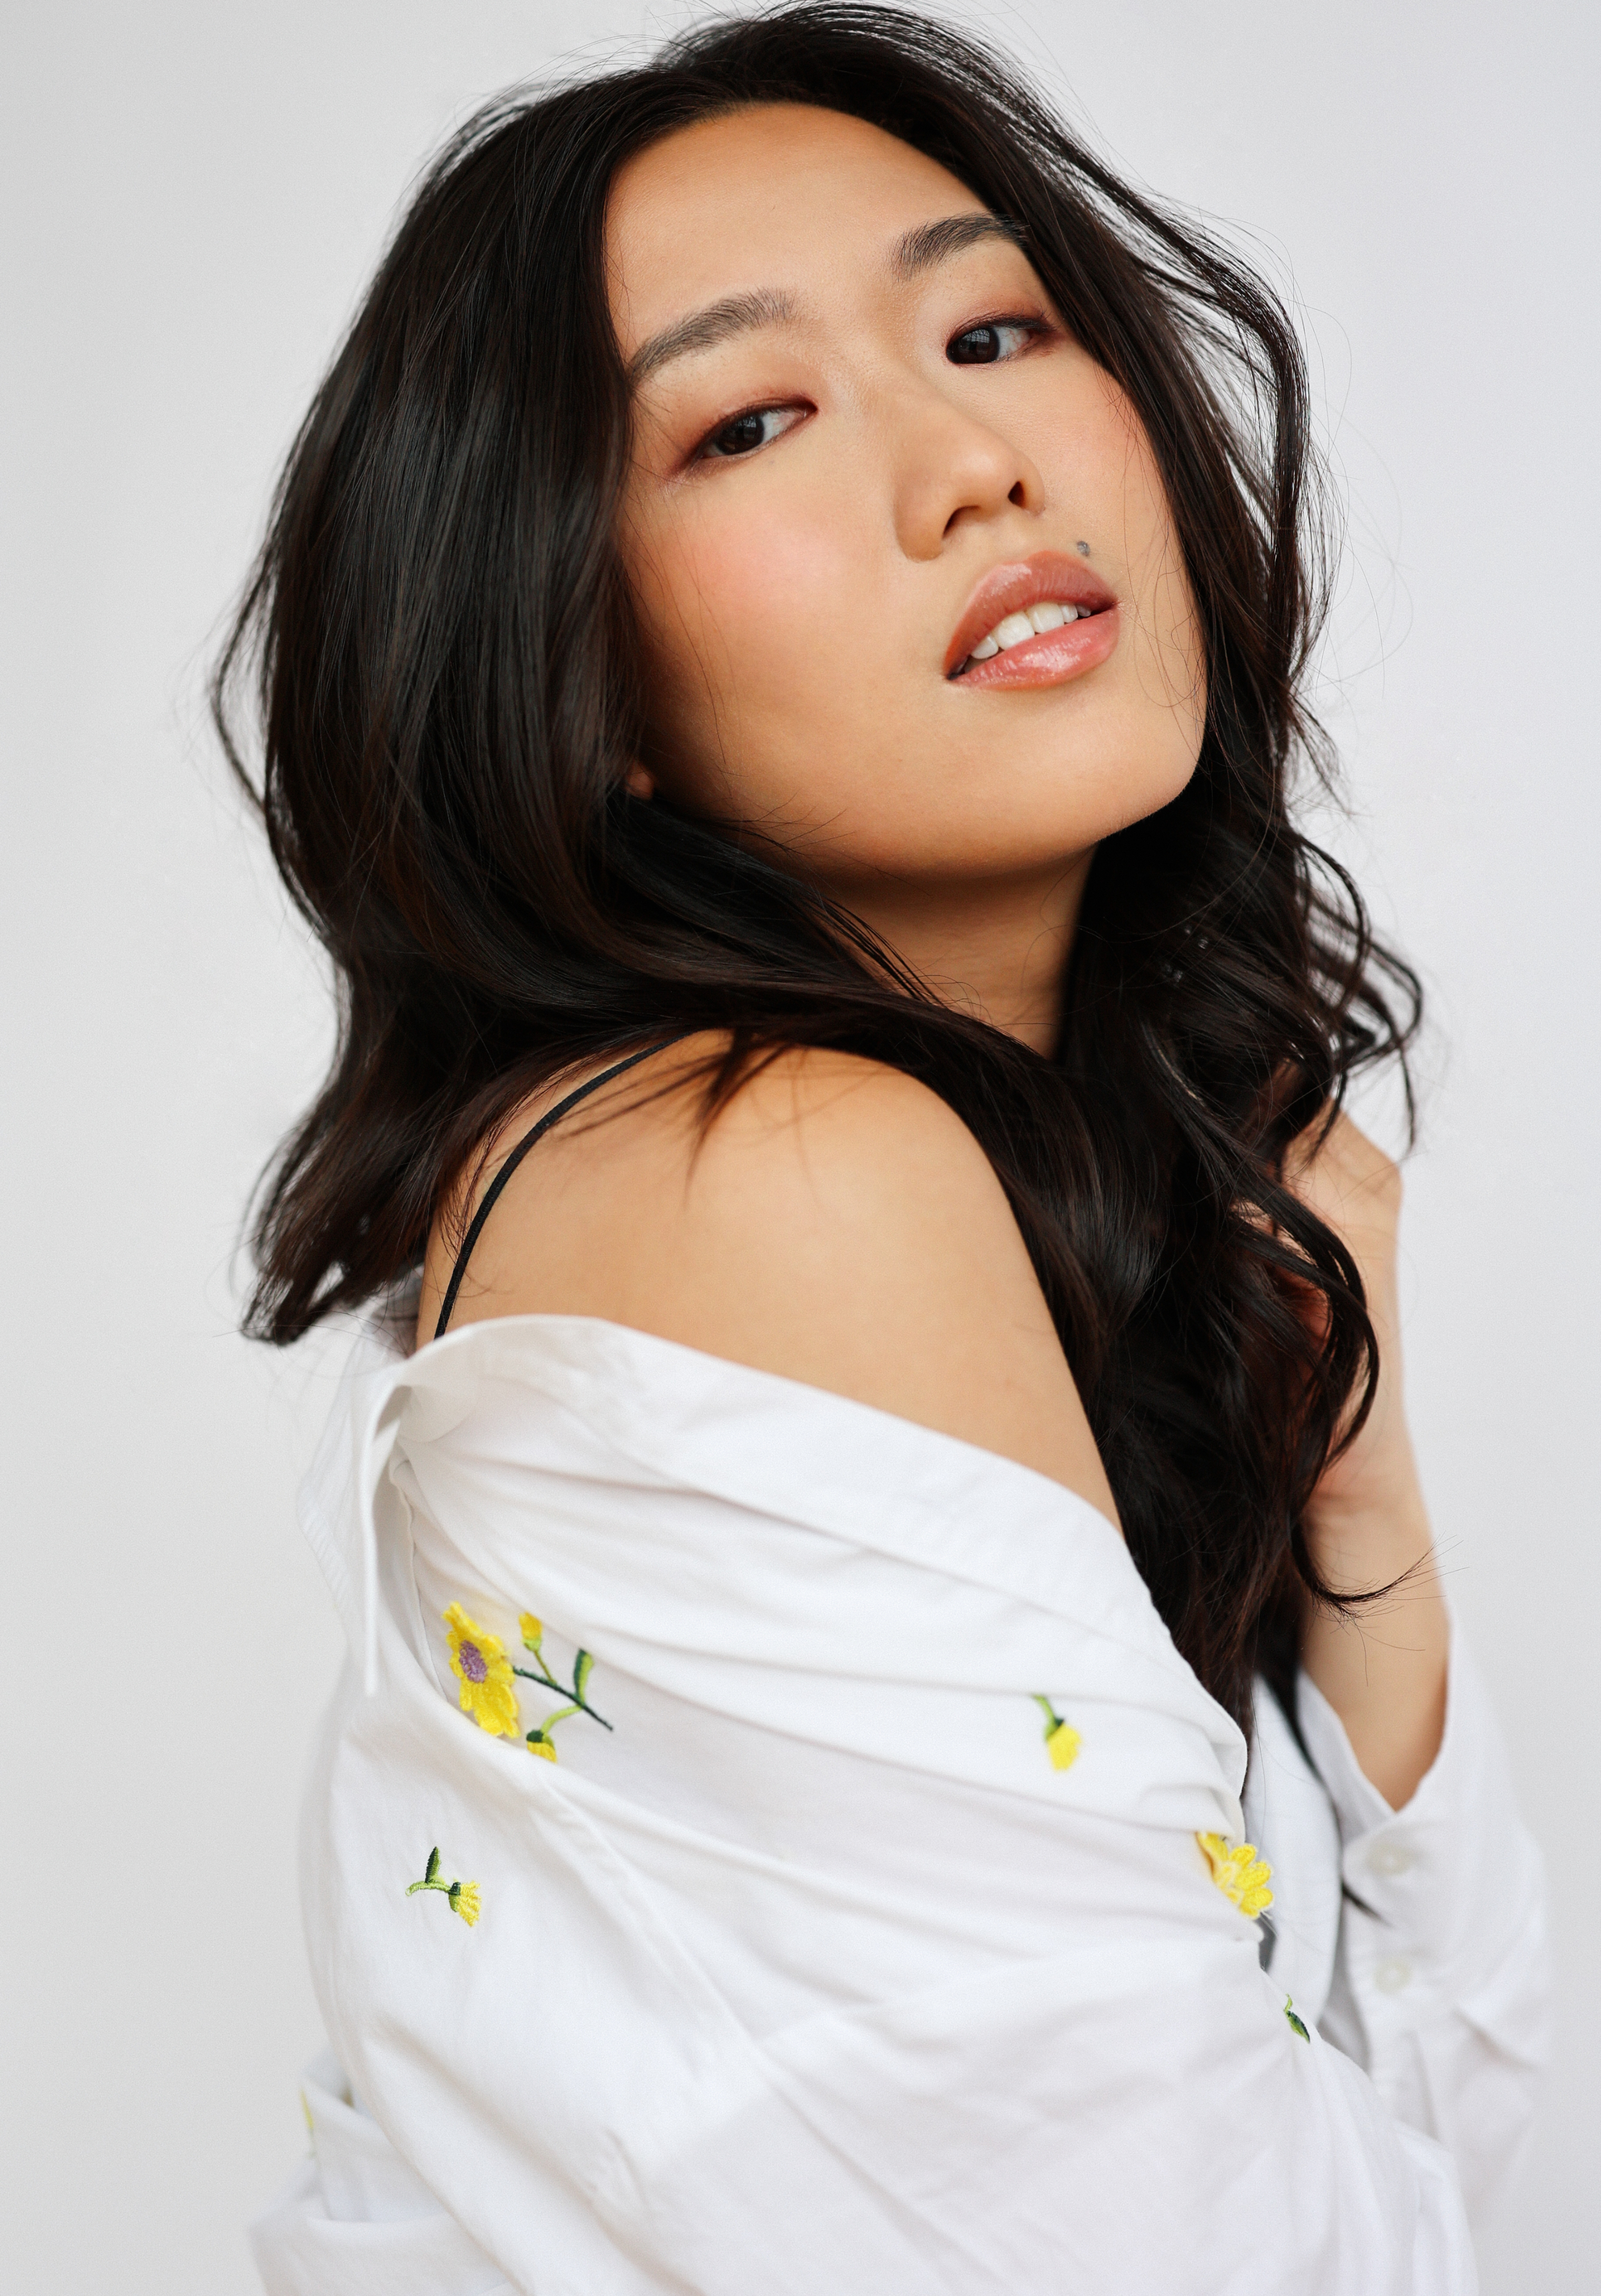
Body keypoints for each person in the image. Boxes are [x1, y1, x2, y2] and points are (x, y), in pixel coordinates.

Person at [224, 9, 1547, 2289]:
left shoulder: (1001, 1206)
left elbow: (1463, 2198)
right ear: (571, 661)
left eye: (992, 330)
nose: (969, 466)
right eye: (749, 421)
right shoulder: (773, 1166)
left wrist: (1358, 1494)